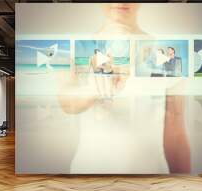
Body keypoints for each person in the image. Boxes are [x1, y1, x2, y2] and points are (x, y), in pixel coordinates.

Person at [57, 3, 190, 174]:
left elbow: (175, 129)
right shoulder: (75, 49)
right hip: (89, 176)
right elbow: (66, 102)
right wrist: (95, 89)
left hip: (151, 178)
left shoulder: (167, 55)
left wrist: (186, 184)